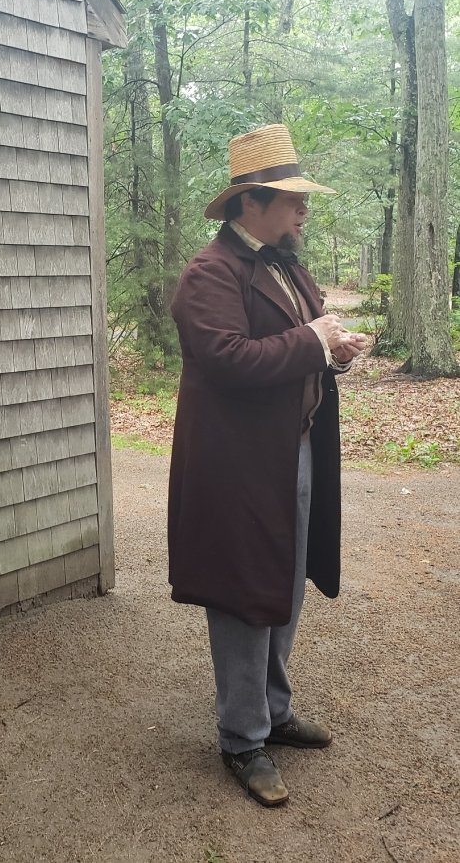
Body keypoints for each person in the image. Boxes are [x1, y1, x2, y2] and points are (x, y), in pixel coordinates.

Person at [167, 124, 367, 807]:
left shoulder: (284, 260)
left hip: (291, 449)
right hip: (237, 468)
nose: (304, 212)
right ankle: (241, 737)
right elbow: (227, 358)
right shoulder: (208, 274)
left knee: (285, 581)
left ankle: (273, 712)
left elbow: (299, 339)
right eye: (292, 200)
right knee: (244, 592)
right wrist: (311, 340)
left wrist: (332, 346)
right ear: (252, 201)